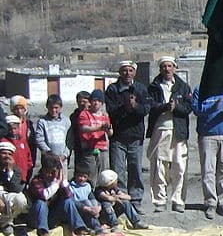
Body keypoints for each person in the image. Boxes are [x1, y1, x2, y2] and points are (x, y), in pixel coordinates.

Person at [148, 56, 195, 212]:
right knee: (159, 166)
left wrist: (176, 108)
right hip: (160, 130)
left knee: (179, 166)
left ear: (175, 68)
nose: (166, 69)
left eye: (169, 66)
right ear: (160, 69)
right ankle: (160, 200)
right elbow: (150, 106)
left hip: (179, 131)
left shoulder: (183, 86)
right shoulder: (154, 87)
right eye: (163, 66)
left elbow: (189, 108)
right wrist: (164, 107)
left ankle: (178, 200)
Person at [105, 61, 150, 203]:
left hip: (136, 137)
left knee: (135, 170)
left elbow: (146, 109)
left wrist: (135, 106)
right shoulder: (113, 89)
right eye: (124, 70)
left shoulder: (141, 89)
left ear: (134, 72)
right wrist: (125, 106)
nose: (127, 73)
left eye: (130, 70)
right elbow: (111, 110)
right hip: (118, 137)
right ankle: (121, 200)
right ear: (120, 72)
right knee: (118, 171)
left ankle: (136, 199)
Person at [26, 153, 92, 236]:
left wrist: (62, 180)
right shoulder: (36, 181)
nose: (50, 175)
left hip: (52, 218)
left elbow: (69, 195)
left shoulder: (58, 180)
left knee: (68, 201)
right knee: (41, 203)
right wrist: (56, 184)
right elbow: (44, 196)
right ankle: (43, 232)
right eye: (47, 171)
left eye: (53, 172)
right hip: (36, 219)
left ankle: (80, 229)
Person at [197, 87, 223, 219]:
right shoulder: (201, 89)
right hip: (207, 134)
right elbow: (196, 109)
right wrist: (213, 108)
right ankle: (210, 203)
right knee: (208, 170)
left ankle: (222, 203)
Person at [74, 90, 111, 181]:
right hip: (89, 149)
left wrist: (108, 129)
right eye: (94, 100)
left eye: (98, 101)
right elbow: (84, 129)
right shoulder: (84, 114)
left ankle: (101, 194)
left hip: (102, 149)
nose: (96, 103)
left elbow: (110, 133)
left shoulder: (104, 116)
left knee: (103, 176)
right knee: (91, 176)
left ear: (102, 103)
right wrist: (100, 128)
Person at [2, 96, 35, 182]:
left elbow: (32, 145)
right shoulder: (8, 123)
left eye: (21, 108)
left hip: (25, 157)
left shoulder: (28, 124)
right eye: (17, 108)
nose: (19, 111)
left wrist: (30, 163)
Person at [33, 95, 72, 169]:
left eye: (56, 108)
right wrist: (50, 154)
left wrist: (64, 155)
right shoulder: (42, 122)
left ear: (60, 107)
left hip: (62, 159)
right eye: (51, 107)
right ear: (47, 107)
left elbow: (69, 141)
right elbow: (39, 139)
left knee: (62, 179)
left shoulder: (66, 121)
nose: (53, 110)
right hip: (48, 159)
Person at [0, 140, 29, 236]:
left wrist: (10, 171)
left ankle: (5, 222)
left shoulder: (16, 169)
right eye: (4, 153)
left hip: (8, 193)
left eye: (9, 154)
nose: (6, 156)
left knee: (21, 201)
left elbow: (16, 189)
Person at [67, 167, 104, 233]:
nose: (82, 179)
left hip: (90, 209)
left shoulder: (87, 186)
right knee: (86, 202)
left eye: (84, 177)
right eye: (80, 176)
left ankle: (93, 225)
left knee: (93, 202)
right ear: (75, 175)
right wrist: (88, 208)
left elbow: (92, 198)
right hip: (78, 209)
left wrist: (98, 207)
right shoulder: (71, 187)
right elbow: (72, 201)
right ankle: (96, 226)